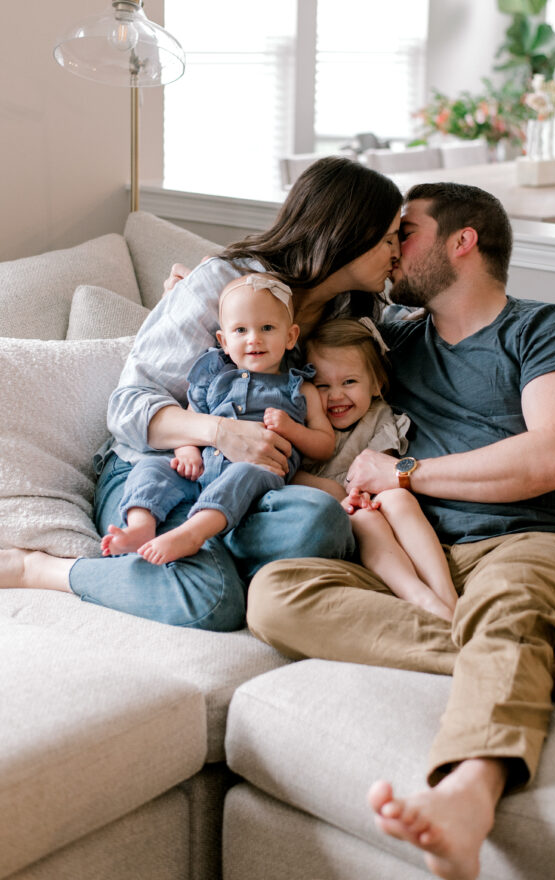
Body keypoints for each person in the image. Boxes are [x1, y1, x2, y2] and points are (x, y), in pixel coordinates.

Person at [245, 182, 555, 880]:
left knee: (505, 610)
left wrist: (404, 474)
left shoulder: (547, 328)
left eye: (406, 231)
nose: (390, 248)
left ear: (463, 241)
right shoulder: (390, 339)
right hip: (411, 552)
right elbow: (277, 315)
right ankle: (534, 669)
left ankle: (464, 798)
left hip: (535, 541)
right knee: (276, 592)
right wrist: (197, 292)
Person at [0, 157, 403, 630]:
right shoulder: (223, 284)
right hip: (162, 473)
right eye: (390, 237)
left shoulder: (346, 315)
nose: (397, 252)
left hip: (248, 488)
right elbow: (127, 406)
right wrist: (221, 432)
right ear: (349, 232)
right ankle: (46, 569)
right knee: (212, 601)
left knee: (322, 520)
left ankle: (209, 554)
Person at [101, 274, 334, 566]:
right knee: (150, 467)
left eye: (267, 328)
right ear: (224, 341)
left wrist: (291, 429)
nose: (254, 338)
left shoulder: (300, 390)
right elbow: (190, 421)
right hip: (201, 472)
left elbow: (325, 445)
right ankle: (139, 526)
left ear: (290, 336)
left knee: (244, 474)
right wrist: (186, 453)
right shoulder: (213, 379)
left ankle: (193, 533)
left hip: (259, 475)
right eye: (240, 330)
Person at [288, 316, 458, 621]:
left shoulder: (380, 417)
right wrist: (338, 493)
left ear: (377, 383)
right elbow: (286, 476)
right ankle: (417, 596)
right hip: (331, 514)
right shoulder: (304, 423)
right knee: (366, 520)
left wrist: (363, 494)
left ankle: (447, 596)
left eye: (349, 382)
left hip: (369, 498)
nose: (336, 395)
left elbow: (383, 474)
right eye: (322, 385)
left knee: (399, 498)